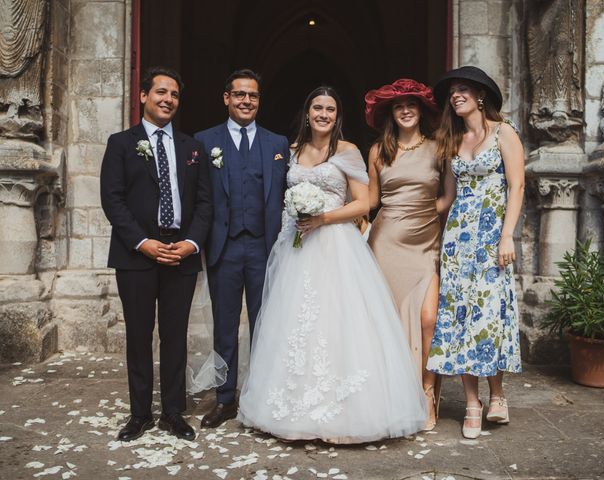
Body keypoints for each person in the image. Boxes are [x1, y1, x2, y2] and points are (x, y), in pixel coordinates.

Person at [237, 86, 427, 443]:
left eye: (330, 109)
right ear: (307, 113)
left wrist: (323, 217)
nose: (323, 114)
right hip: (296, 245)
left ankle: (347, 413)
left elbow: (365, 203)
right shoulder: (291, 151)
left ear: (338, 116)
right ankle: (292, 408)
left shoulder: (348, 151)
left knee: (338, 323)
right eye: (317, 107)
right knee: (294, 322)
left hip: (336, 245)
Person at [100, 66, 212, 441]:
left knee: (175, 335)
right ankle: (140, 414)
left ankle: (173, 413)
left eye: (175, 95)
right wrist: (142, 242)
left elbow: (204, 203)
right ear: (143, 96)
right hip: (136, 255)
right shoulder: (120, 143)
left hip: (181, 253)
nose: (168, 100)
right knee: (138, 334)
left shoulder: (192, 147)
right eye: (161, 92)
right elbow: (112, 200)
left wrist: (192, 243)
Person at [427, 66, 524, 439]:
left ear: (480, 95)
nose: (455, 96)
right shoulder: (454, 141)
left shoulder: (504, 132)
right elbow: (448, 198)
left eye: (463, 89)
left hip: (491, 239)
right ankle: (471, 402)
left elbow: (516, 187)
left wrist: (507, 236)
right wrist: (402, 211)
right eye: (452, 92)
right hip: (457, 241)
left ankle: (497, 394)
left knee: (490, 315)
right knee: (460, 316)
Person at [195, 69, 290, 429]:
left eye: (252, 95)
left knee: (266, 324)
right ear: (226, 98)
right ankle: (225, 399)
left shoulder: (277, 143)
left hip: (266, 248)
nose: (246, 101)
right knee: (225, 326)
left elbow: (287, 196)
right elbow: (198, 197)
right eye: (239, 95)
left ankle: (263, 394)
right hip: (225, 247)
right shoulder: (204, 142)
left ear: (258, 100)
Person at [365, 79, 455, 431]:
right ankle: (391, 394)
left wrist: (423, 213)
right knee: (386, 323)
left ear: (421, 111)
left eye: (412, 105)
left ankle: (427, 391)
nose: (405, 110)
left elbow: (448, 198)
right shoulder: (377, 151)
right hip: (385, 242)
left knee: (428, 318)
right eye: (399, 105)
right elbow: (371, 203)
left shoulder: (439, 148)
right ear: (391, 112)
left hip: (425, 240)